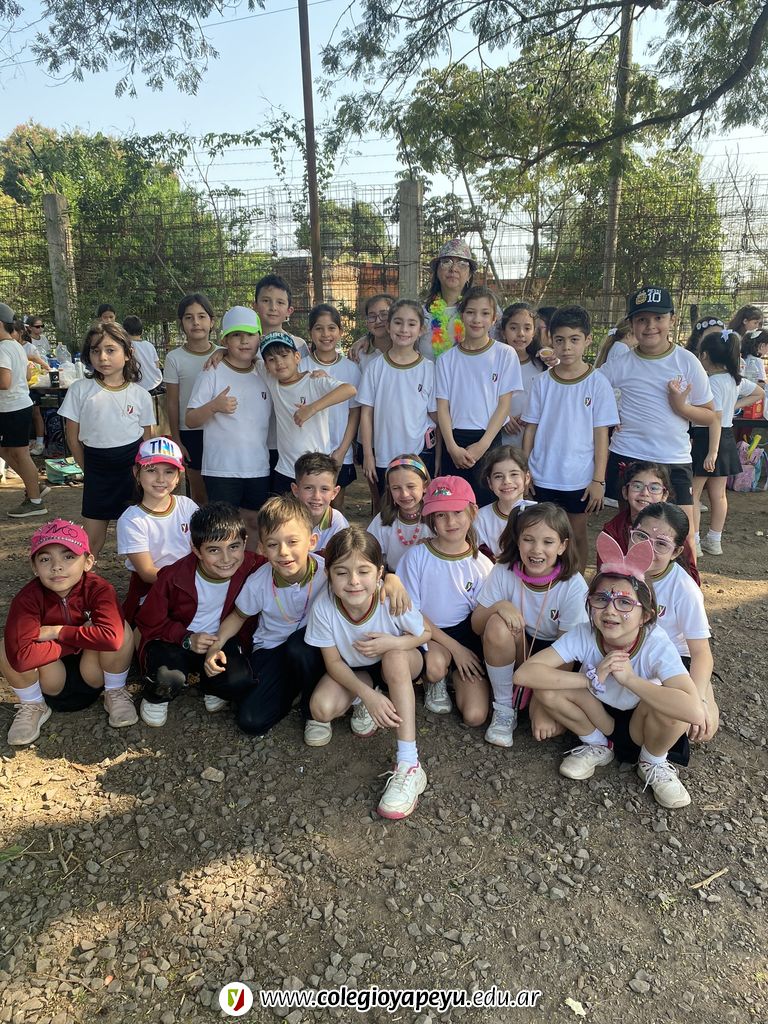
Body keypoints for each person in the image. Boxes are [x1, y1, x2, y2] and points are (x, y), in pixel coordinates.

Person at [514, 534, 705, 809]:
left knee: (672, 704)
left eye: (625, 602)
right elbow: (525, 674)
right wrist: (588, 679)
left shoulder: (656, 643)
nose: (610, 610)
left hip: (644, 724)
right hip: (600, 718)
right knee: (548, 688)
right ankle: (597, 745)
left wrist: (630, 680)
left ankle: (652, 762)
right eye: (601, 599)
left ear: (646, 615)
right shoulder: (585, 633)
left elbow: (693, 711)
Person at [305, 527, 431, 819]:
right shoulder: (324, 606)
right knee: (321, 709)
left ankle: (409, 763)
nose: (353, 581)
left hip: (401, 661)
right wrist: (367, 696)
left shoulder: (390, 598)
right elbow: (333, 663)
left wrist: (393, 643)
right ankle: (366, 697)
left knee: (394, 659)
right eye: (341, 572)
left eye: (363, 571)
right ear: (328, 574)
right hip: (357, 669)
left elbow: (424, 634)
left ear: (379, 573)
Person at [1, 518, 136, 746]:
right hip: (51, 680)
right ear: (34, 567)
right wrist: (81, 638)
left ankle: (115, 692)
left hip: (95, 674)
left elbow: (112, 640)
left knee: (121, 629)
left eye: (69, 556)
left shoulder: (99, 589)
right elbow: (21, 657)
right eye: (45, 559)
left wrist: (58, 631)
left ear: (88, 561)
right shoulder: (27, 599)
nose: (57, 566)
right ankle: (32, 704)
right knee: (6, 646)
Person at [600, 286, 716, 538]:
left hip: (673, 458)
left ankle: (684, 566)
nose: (650, 326)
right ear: (631, 324)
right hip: (628, 454)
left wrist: (681, 407)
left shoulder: (687, 361)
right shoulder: (619, 364)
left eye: (658, 318)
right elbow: (590, 390)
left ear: (672, 319)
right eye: (642, 319)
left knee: (682, 533)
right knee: (632, 529)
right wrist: (610, 416)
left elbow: (710, 415)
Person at [471, 503, 588, 747]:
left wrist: (542, 692)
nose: (536, 549)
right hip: (516, 646)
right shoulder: (503, 571)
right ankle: (504, 706)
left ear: (562, 546)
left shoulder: (573, 585)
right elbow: (477, 625)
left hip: (555, 655)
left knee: (545, 723)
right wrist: (499, 606)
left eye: (548, 542)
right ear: (517, 540)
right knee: (497, 624)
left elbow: (568, 651)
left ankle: (535, 697)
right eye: (528, 539)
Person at [135, 502, 260, 728]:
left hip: (221, 640)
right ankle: (156, 697)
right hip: (177, 641)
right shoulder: (173, 576)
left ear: (245, 542)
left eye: (234, 546)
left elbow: (288, 565)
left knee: (239, 680)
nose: (226, 559)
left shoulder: (253, 566)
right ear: (195, 549)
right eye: (214, 550)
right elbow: (148, 621)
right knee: (168, 678)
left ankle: (210, 685)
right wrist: (186, 638)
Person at [523, 304, 619, 570]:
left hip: (578, 478)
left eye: (574, 340)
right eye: (560, 340)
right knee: (542, 533)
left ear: (588, 340)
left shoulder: (598, 383)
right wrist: (525, 472)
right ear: (550, 340)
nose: (566, 347)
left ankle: (576, 586)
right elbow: (530, 429)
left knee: (576, 533)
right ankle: (544, 582)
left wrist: (598, 480)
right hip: (542, 474)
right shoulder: (542, 382)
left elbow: (601, 435)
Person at [398, 476, 492, 724]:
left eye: (458, 512)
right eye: (441, 515)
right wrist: (456, 649)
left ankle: (455, 675)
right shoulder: (416, 557)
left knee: (475, 716)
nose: (451, 522)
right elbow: (411, 612)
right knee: (435, 666)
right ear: (431, 519)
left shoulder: (482, 565)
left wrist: (465, 650)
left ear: (472, 512)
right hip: (429, 632)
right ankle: (436, 679)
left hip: (465, 635)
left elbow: (480, 618)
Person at [60, 321, 155, 557]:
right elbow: (72, 438)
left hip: (131, 472)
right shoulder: (79, 390)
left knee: (137, 534)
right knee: (92, 539)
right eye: (96, 350)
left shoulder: (141, 395)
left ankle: (142, 578)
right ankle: (82, 577)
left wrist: (143, 473)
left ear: (127, 353)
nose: (103, 357)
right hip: (97, 470)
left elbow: (147, 441)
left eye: (110, 350)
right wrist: (88, 468)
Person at [628, 501, 718, 744]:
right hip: (626, 653)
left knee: (691, 723)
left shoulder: (684, 588)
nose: (648, 548)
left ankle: (704, 690)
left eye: (661, 544)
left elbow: (701, 652)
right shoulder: (615, 572)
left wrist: (697, 699)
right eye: (641, 537)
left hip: (671, 660)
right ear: (630, 534)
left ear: (676, 552)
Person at [186, 306, 270, 548]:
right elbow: (190, 419)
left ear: (259, 338)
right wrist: (213, 406)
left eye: (250, 334)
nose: (244, 341)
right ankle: (225, 568)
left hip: (257, 466)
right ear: (224, 340)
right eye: (236, 335)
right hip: (221, 469)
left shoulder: (265, 370)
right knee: (223, 527)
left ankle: (250, 567)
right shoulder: (212, 371)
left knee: (254, 522)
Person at [436, 285, 522, 506]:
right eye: (471, 312)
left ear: (493, 319)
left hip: (489, 440)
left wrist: (483, 445)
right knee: (455, 507)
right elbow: (442, 407)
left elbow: (504, 405)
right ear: (461, 315)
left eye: (484, 313)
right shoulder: (446, 359)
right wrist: (452, 447)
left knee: (487, 506)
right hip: (454, 443)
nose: (477, 319)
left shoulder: (505, 354)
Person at [259, 331, 357, 494]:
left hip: (316, 470)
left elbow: (349, 389)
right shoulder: (271, 380)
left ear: (297, 357)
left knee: (316, 509)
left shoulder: (314, 380)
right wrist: (220, 351)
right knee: (284, 511)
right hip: (285, 469)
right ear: (266, 366)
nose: (279, 362)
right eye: (271, 359)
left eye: (284, 355)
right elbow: (245, 356)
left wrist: (312, 409)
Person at [691, 329, 761, 556]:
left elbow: (714, 418)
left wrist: (711, 452)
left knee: (693, 494)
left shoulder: (712, 382)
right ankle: (714, 540)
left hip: (708, 439)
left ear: (705, 355)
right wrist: (735, 406)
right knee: (719, 494)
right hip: (726, 437)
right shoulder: (734, 379)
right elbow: (759, 392)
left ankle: (695, 542)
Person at [358, 299, 437, 494]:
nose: (404, 329)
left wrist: (438, 457)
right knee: (387, 506)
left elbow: (436, 417)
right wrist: (368, 455)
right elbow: (366, 414)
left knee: (417, 505)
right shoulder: (375, 368)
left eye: (411, 324)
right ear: (388, 326)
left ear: (421, 329)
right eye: (398, 322)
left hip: (419, 455)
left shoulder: (429, 369)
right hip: (384, 455)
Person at [117, 437, 196, 624]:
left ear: (178, 477)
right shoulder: (131, 520)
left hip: (193, 582)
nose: (161, 479)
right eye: (151, 470)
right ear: (137, 473)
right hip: (154, 589)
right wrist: (188, 581)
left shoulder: (188, 506)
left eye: (169, 472)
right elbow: (147, 572)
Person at [599, 460, 700, 585]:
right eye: (637, 486)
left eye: (654, 488)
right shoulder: (612, 531)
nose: (645, 493)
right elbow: (604, 575)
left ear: (664, 495)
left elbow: (690, 575)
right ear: (625, 491)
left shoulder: (673, 529)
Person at [299, 303, 361, 505]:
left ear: (341, 332)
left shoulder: (351, 369)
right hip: (308, 451)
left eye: (331, 328)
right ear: (310, 332)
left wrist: (342, 451)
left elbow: (354, 413)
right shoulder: (301, 367)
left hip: (339, 451)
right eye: (319, 328)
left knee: (335, 508)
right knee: (308, 507)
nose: (325, 334)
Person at [253, 273, 309, 489]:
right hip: (256, 438)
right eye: (266, 301)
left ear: (289, 310)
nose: (273, 308)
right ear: (255, 306)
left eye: (280, 302)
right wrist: (220, 352)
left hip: (289, 439)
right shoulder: (246, 344)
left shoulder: (299, 345)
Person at [163, 293, 219, 506]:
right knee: (199, 491)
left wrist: (224, 352)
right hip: (190, 432)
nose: (196, 322)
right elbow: (172, 402)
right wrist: (177, 440)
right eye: (189, 317)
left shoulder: (224, 354)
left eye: (201, 316)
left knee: (220, 488)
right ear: (182, 324)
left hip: (221, 430)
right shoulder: (174, 358)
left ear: (212, 321)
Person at [0, 303, 48, 518]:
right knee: (5, 450)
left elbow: (4, 382)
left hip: (12, 408)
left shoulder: (3, 348)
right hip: (15, 406)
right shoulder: (16, 346)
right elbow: (27, 375)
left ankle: (35, 502)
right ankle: (34, 484)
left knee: (19, 453)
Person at [367, 454, 433, 571]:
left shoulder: (435, 519)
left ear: (425, 486)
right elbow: (369, 555)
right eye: (396, 488)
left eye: (411, 486)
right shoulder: (382, 520)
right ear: (389, 489)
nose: (404, 494)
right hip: (391, 578)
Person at [474, 445, 535, 559]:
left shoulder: (539, 514)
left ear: (527, 478)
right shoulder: (480, 518)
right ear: (490, 482)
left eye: (514, 474)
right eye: (498, 476)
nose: (506, 481)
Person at [421, 239, 478, 359]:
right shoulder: (421, 312)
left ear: (469, 275)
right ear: (437, 271)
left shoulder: (482, 312)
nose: (453, 269)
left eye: (462, 264)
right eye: (446, 262)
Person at [499, 301, 545, 447]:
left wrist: (529, 415)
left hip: (533, 442)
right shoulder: (495, 364)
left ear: (534, 332)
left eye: (527, 328)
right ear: (503, 332)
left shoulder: (542, 365)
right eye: (513, 328)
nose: (520, 334)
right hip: (499, 442)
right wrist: (503, 418)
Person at [291, 451, 349, 552]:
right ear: (296, 490)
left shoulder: (339, 525)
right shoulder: (283, 519)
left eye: (324, 489)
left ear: (334, 493)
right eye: (309, 488)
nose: (316, 496)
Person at [355, 293, 395, 372]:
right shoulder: (358, 355)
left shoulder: (407, 349)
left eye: (384, 315)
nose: (378, 321)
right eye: (372, 316)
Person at [122, 315, 163, 392]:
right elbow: (157, 365)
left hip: (139, 386)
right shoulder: (149, 345)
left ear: (124, 332)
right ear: (141, 331)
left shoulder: (127, 346)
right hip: (156, 382)